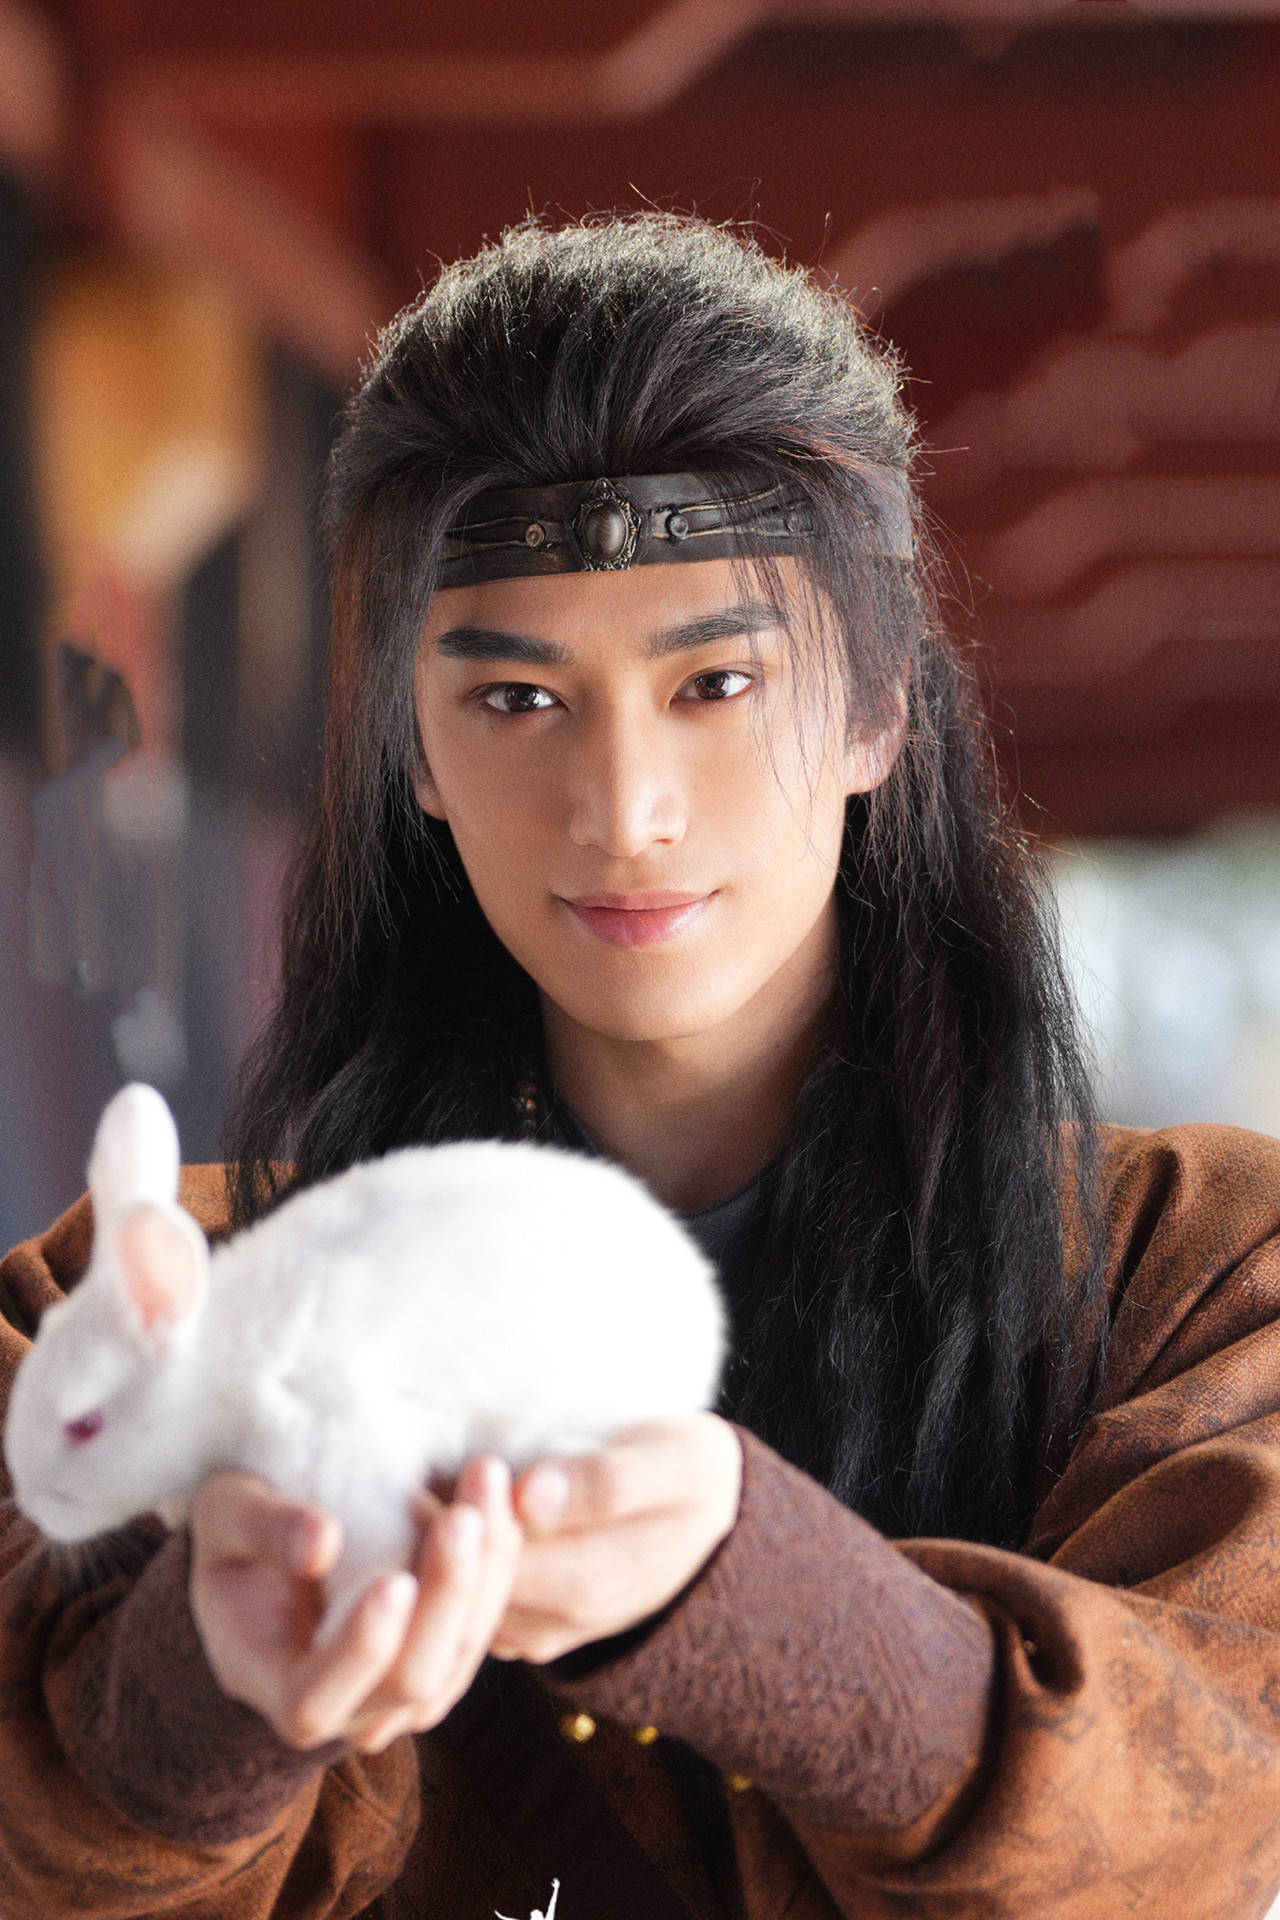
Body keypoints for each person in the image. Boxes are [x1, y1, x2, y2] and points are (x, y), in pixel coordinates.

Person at [2, 211, 1280, 1920]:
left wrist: (748, 1591)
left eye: (717, 682)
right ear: (414, 749)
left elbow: (1220, 1804)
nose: (623, 809)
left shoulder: (1203, 1278)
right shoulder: (140, 1306)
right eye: (518, 700)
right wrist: (198, 1696)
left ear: (878, 709)